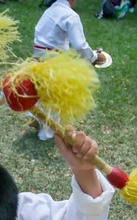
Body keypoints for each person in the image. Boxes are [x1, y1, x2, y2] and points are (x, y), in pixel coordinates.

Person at [32, 0, 106, 140]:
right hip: (53, 63)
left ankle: (35, 117)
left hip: (37, 60)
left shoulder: (49, 11)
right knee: (56, 97)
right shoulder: (70, 16)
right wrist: (95, 57)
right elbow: (80, 45)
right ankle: (46, 132)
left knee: (41, 92)